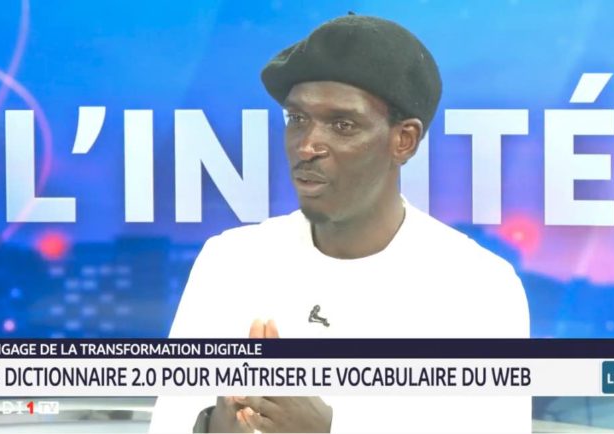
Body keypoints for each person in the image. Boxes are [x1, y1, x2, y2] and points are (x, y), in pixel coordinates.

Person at [149, 14, 530, 433]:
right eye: (297, 119)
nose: (307, 145)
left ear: (403, 140)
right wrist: (224, 420)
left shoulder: (478, 286)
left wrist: (328, 429)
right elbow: (171, 421)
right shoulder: (231, 260)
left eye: (342, 125)